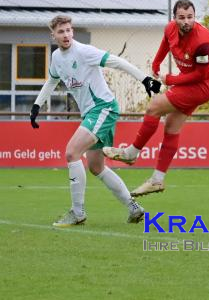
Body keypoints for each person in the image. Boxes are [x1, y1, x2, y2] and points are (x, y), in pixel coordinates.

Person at [30, 15, 161, 227]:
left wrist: (144, 79)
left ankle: (77, 212)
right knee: (96, 167)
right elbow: (52, 80)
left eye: (69, 30)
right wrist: (37, 105)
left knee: (72, 152)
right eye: (61, 31)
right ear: (52, 35)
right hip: (94, 112)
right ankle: (134, 208)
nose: (66, 35)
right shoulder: (56, 57)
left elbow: (117, 62)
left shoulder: (83, 51)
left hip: (103, 108)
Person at [103, 0, 209, 197]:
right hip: (190, 84)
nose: (186, 21)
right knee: (171, 126)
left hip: (202, 86)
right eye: (181, 17)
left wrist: (170, 79)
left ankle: (131, 153)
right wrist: (156, 63)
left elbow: (201, 75)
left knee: (154, 107)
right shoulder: (170, 29)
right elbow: (166, 42)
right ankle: (157, 180)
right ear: (174, 18)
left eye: (190, 17)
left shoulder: (204, 42)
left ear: (194, 18)